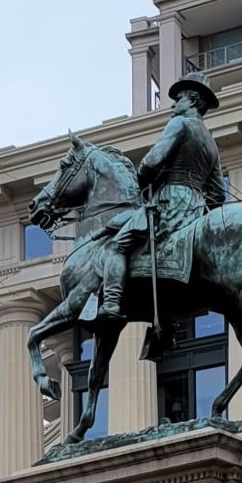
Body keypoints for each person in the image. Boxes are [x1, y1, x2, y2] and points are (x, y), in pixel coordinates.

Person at [96, 70, 226, 325]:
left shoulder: (180, 124)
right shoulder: (210, 142)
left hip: (170, 200)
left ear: (193, 101)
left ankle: (111, 302)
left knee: (117, 245)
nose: (173, 105)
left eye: (178, 99)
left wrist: (142, 183)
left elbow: (151, 162)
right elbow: (218, 192)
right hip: (196, 207)